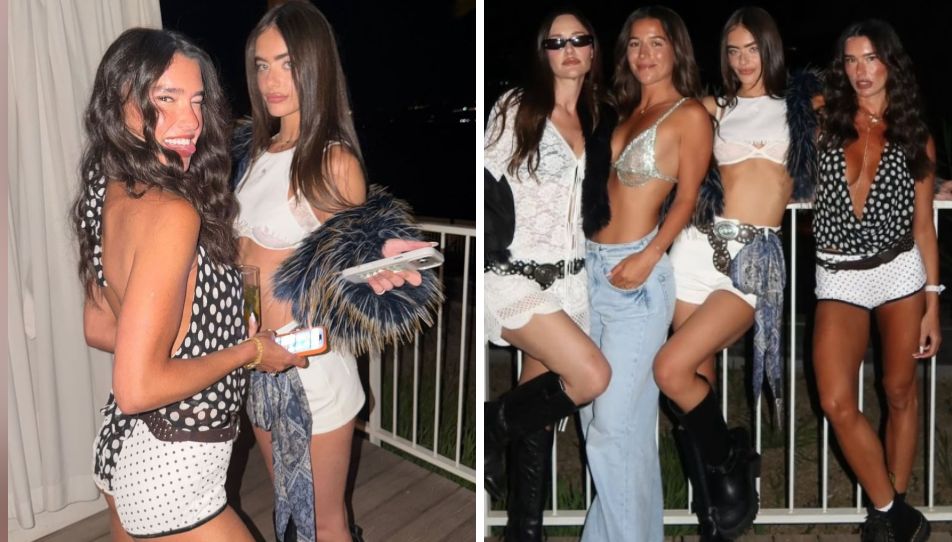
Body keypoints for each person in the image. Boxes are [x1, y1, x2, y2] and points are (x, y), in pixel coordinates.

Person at [73, 28, 307, 541]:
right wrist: (249, 351)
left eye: (197, 100)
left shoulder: (106, 184)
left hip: (122, 447)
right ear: (119, 101)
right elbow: (137, 387)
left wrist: (195, 338)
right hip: (174, 465)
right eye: (166, 99)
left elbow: (98, 326)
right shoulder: (173, 213)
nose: (191, 121)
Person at [232, 3, 439, 542]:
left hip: (310, 370)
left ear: (315, 65)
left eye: (286, 64)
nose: (271, 80)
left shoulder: (332, 160)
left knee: (325, 523)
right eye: (261, 65)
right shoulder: (252, 153)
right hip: (257, 363)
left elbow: (353, 260)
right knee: (289, 510)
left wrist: (381, 261)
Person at [652, 7, 820, 539]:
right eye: (733, 51)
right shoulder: (713, 108)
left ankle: (732, 456)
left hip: (752, 261)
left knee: (670, 370)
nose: (743, 61)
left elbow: (866, 133)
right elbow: (650, 138)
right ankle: (715, 515)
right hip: (694, 252)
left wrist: (929, 182)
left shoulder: (803, 105)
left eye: (752, 49)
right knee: (692, 383)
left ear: (770, 49)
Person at [578, 6, 712, 541]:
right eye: (635, 43)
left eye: (656, 42)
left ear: (676, 49)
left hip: (637, 279)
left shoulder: (689, 115)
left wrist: (652, 253)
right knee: (612, 429)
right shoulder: (623, 110)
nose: (645, 53)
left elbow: (688, 196)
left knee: (610, 433)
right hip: (591, 273)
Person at [483, 9, 612, 541]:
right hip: (516, 277)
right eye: (557, 42)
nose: (569, 49)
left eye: (579, 39)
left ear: (593, 49)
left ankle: (524, 530)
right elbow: (485, 183)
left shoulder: (599, 117)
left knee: (535, 419)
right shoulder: (518, 108)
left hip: (572, 282)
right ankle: (490, 428)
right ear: (544, 52)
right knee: (590, 377)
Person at [813, 19, 937, 542]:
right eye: (851, 60)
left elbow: (924, 225)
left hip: (898, 270)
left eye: (871, 58)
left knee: (899, 390)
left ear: (890, 62)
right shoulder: (823, 119)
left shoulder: (915, 136)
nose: (860, 71)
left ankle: (890, 512)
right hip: (839, 274)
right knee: (835, 400)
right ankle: (895, 512)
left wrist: (933, 303)